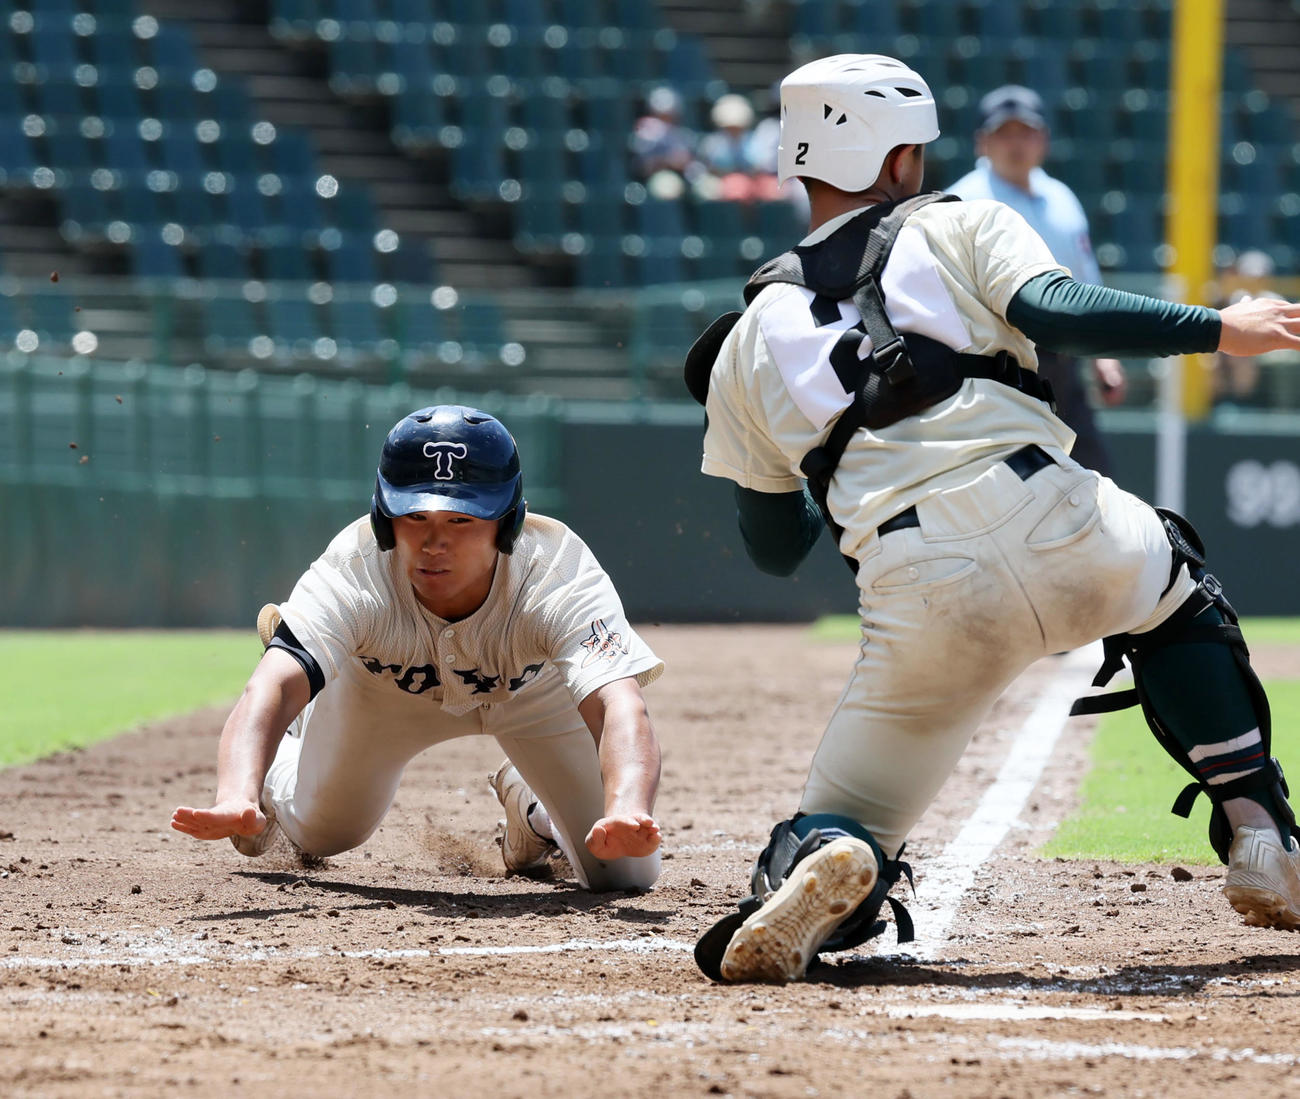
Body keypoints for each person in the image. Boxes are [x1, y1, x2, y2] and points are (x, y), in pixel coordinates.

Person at [684, 54, 1300, 983]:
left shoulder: (740, 347)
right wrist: (1222, 326)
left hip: (916, 587)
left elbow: (772, 547)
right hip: (1059, 517)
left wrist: (833, 488)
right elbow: (1060, 307)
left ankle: (829, 860)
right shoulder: (963, 221)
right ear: (897, 162)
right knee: (1177, 589)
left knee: (842, 823)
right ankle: (1261, 831)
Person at [171, 404, 664, 893]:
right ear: (383, 519)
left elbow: (619, 702)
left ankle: (531, 809)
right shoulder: (356, 569)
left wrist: (627, 807)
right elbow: (271, 685)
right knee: (325, 834)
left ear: (508, 522)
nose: (433, 542)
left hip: (534, 696)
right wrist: (237, 792)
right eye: (413, 515)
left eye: (462, 520)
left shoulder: (557, 574)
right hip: (385, 696)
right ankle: (291, 756)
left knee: (624, 871)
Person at [946, 85, 1126, 476]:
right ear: (982, 142)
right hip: (993, 369)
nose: (1016, 144)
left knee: (1096, 482)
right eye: (1004, 133)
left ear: (1043, 140)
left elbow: (1085, 282)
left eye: (1025, 133)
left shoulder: (1062, 199)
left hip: (1059, 363)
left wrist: (1103, 357)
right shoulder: (960, 203)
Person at [697, 92, 781, 203]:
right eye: (730, 126)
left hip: (752, 181)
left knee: (774, 191)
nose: (734, 129)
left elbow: (759, 166)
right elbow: (710, 168)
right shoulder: (712, 143)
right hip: (724, 183)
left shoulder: (754, 140)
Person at [631, 85, 704, 201]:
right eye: (662, 114)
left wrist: (684, 162)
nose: (667, 118)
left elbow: (690, 161)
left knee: (705, 188)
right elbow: (642, 166)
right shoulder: (645, 132)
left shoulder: (682, 134)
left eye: (670, 114)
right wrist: (669, 161)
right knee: (667, 188)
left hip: (684, 177)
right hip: (658, 176)